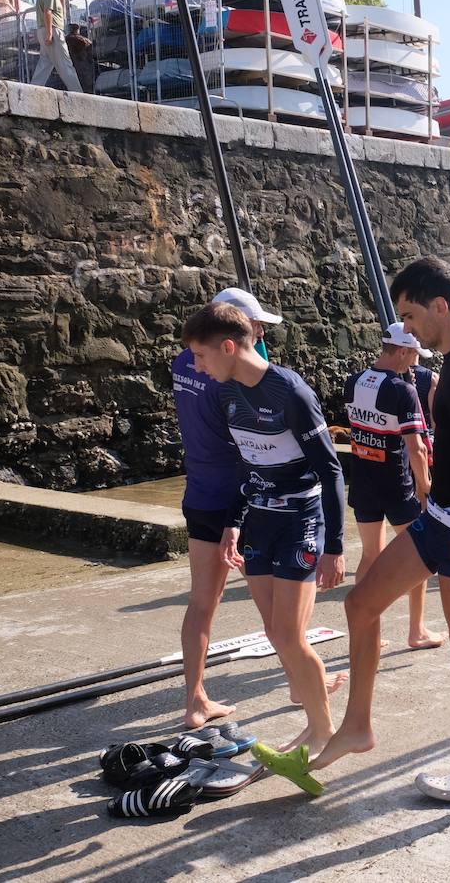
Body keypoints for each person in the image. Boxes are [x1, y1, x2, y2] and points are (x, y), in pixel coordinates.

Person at [290, 257, 450, 804]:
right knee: (360, 606)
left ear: (440, 306)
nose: (407, 329)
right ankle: (357, 726)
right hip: (437, 521)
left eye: (411, 315)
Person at [182, 302, 345, 770]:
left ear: (228, 347)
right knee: (275, 632)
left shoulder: (290, 390)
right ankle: (317, 724)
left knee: (292, 636)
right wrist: (233, 521)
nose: (196, 366)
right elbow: (246, 463)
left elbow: (331, 469)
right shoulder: (226, 393)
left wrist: (334, 545)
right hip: (258, 520)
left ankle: (322, 729)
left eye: (201, 355)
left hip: (300, 520)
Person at [171, 288, 287, 729]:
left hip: (199, 492)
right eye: (254, 326)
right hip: (239, 498)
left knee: (202, 601)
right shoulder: (233, 378)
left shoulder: (186, 361)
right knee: (273, 602)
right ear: (232, 333)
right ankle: (299, 683)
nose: (259, 333)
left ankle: (195, 700)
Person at [344, 323, 444, 651]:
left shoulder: (354, 381)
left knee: (371, 555)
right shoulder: (403, 391)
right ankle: (416, 630)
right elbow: (415, 448)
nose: (414, 362)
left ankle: (366, 628)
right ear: (402, 350)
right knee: (420, 555)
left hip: (362, 480)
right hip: (397, 484)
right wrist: (425, 486)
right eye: (413, 354)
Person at [30, 0, 83, 92]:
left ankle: (33, 89)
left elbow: (61, 15)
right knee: (65, 63)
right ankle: (78, 93)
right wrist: (49, 34)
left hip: (43, 30)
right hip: (53, 31)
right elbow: (48, 12)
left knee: (45, 62)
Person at [64, 23, 93, 94]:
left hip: (72, 63)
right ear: (78, 29)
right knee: (85, 82)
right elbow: (90, 46)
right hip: (81, 63)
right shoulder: (84, 40)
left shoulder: (66, 39)